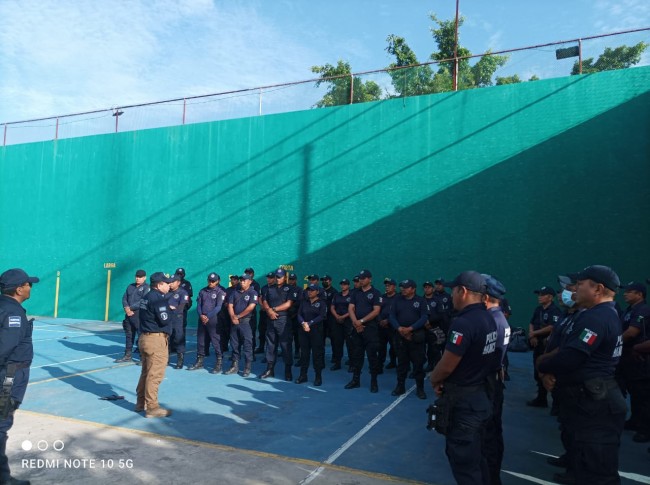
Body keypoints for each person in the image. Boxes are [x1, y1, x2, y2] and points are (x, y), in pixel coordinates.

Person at [537, 265, 626, 484]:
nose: (575, 289)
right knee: (586, 457)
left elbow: (571, 357)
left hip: (594, 401)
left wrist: (544, 367)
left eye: (580, 284)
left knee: (597, 467)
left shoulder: (596, 318)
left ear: (598, 289)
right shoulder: (600, 314)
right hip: (591, 396)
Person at [429, 271, 497, 485]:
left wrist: (434, 379)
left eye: (453, 291)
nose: (451, 296)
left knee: (465, 464)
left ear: (463, 291)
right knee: (478, 458)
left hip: (464, 403)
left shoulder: (464, 322)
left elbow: (447, 364)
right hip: (481, 395)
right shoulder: (489, 317)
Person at [0, 268, 39, 485]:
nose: (29, 287)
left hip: (8, 372)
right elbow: (4, 347)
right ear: (19, 289)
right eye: (28, 284)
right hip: (10, 375)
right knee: (2, 422)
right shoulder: (13, 313)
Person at [481, 275, 511, 485]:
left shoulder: (491, 321)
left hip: (487, 385)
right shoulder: (498, 317)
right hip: (493, 381)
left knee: (488, 436)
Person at [135, 272, 175, 418]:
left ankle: (140, 403)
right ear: (159, 285)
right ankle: (152, 407)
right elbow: (164, 319)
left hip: (145, 337)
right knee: (155, 374)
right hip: (155, 340)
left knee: (145, 372)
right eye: (166, 283)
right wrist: (171, 311)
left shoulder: (146, 297)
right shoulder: (159, 299)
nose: (169, 285)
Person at [619, 281, 650, 443]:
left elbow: (631, 332)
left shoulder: (643, 310)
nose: (625, 294)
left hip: (641, 359)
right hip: (629, 358)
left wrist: (614, 342)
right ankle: (635, 420)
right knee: (635, 393)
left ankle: (645, 429)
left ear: (639, 295)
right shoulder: (629, 310)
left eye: (629, 292)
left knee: (643, 395)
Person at [389, 279, 428, 399]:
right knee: (401, 364)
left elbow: (424, 317)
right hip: (401, 337)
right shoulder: (397, 300)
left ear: (413, 289)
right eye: (402, 287)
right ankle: (400, 386)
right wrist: (399, 328)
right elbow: (392, 316)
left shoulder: (421, 301)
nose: (403, 289)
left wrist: (411, 328)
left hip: (415, 337)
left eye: (406, 287)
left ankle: (420, 389)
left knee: (418, 364)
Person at [346, 269, 383, 393]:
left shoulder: (376, 293)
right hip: (357, 329)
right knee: (357, 356)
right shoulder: (355, 293)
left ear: (370, 279)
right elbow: (351, 308)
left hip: (370, 329)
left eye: (363, 278)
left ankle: (374, 382)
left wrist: (361, 321)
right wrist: (356, 322)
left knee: (372, 356)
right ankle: (356, 380)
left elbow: (376, 311)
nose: (361, 280)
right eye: (360, 278)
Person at [527, 286, 562, 407]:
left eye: (542, 294)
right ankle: (541, 399)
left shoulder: (555, 311)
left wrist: (535, 333)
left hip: (548, 347)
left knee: (549, 372)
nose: (539, 297)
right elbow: (532, 323)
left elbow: (552, 327)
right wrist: (532, 336)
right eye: (539, 294)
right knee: (538, 371)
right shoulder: (538, 309)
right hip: (537, 345)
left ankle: (557, 403)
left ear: (550, 297)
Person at [260, 269, 298, 380]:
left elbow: (289, 304)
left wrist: (274, 309)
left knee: (286, 346)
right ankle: (269, 370)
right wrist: (269, 311)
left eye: (280, 277)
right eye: (276, 276)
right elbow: (265, 301)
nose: (278, 278)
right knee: (270, 345)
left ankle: (288, 371)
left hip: (283, 320)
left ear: (285, 277)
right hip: (271, 320)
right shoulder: (269, 288)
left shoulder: (290, 289)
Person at [188, 273, 226, 373]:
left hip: (213, 319)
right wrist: (201, 315)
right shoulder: (202, 291)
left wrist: (208, 316)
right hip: (202, 319)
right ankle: (199, 362)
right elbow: (199, 304)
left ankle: (219, 364)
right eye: (209, 280)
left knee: (216, 341)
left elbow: (218, 307)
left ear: (218, 281)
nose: (211, 282)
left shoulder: (220, 292)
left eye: (213, 281)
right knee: (201, 341)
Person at [225, 274, 258, 377]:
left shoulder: (253, 293)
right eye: (241, 280)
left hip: (245, 322)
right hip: (234, 322)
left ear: (250, 281)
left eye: (244, 280)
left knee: (247, 344)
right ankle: (234, 366)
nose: (242, 282)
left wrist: (238, 316)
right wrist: (233, 317)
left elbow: (251, 307)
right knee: (234, 345)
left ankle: (247, 367)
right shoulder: (235, 292)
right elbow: (230, 306)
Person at [295, 284, 327, 386]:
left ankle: (318, 377)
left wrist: (309, 323)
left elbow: (322, 316)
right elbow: (299, 314)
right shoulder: (304, 302)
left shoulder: (322, 303)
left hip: (316, 331)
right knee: (304, 354)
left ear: (317, 292)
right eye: (309, 290)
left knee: (317, 355)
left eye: (312, 290)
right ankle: (303, 375)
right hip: (304, 331)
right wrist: (303, 323)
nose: (310, 292)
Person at [116, 269, 150, 363]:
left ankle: (142, 358)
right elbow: (124, 298)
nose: (137, 278)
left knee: (141, 337)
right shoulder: (130, 286)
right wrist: (126, 308)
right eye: (136, 276)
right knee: (129, 336)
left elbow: (143, 301)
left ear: (144, 278)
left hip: (139, 315)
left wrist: (131, 308)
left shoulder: (147, 287)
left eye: (140, 277)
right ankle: (127, 355)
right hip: (129, 315)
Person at [167, 274, 189, 369]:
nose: (170, 284)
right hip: (167, 319)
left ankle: (180, 361)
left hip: (178, 319)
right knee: (166, 339)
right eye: (170, 282)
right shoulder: (167, 292)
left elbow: (181, 307)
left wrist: (172, 308)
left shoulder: (182, 293)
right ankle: (166, 359)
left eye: (173, 282)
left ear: (178, 282)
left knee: (178, 338)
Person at [330, 278, 352, 371]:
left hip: (348, 321)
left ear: (348, 286)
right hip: (337, 321)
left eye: (345, 284)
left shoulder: (352, 295)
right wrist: (337, 316)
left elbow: (352, 309)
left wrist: (343, 317)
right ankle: (337, 363)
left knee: (350, 344)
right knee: (337, 343)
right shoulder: (337, 295)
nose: (343, 286)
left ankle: (352, 364)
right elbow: (332, 307)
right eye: (342, 284)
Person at [379, 278, 398, 372]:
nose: (387, 287)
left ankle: (394, 362)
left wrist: (388, 321)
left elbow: (399, 313)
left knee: (395, 346)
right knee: (381, 346)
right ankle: (380, 365)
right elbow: (377, 311)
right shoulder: (381, 297)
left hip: (393, 327)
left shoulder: (399, 298)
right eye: (386, 286)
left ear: (394, 287)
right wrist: (380, 321)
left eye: (389, 285)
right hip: (382, 327)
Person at [254, 272, 276, 356]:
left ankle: (270, 351)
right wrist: (262, 305)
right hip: (263, 313)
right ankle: (261, 347)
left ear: (274, 279)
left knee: (270, 333)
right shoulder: (264, 288)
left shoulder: (276, 288)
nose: (268, 279)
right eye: (268, 278)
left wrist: (270, 309)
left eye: (270, 278)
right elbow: (260, 297)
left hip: (272, 313)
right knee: (261, 331)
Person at [244, 268, 261, 354]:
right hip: (241, 312)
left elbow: (257, 299)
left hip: (251, 313)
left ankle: (252, 352)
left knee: (251, 332)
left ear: (253, 274)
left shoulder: (256, 285)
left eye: (250, 273)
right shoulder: (241, 284)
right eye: (246, 273)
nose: (248, 274)